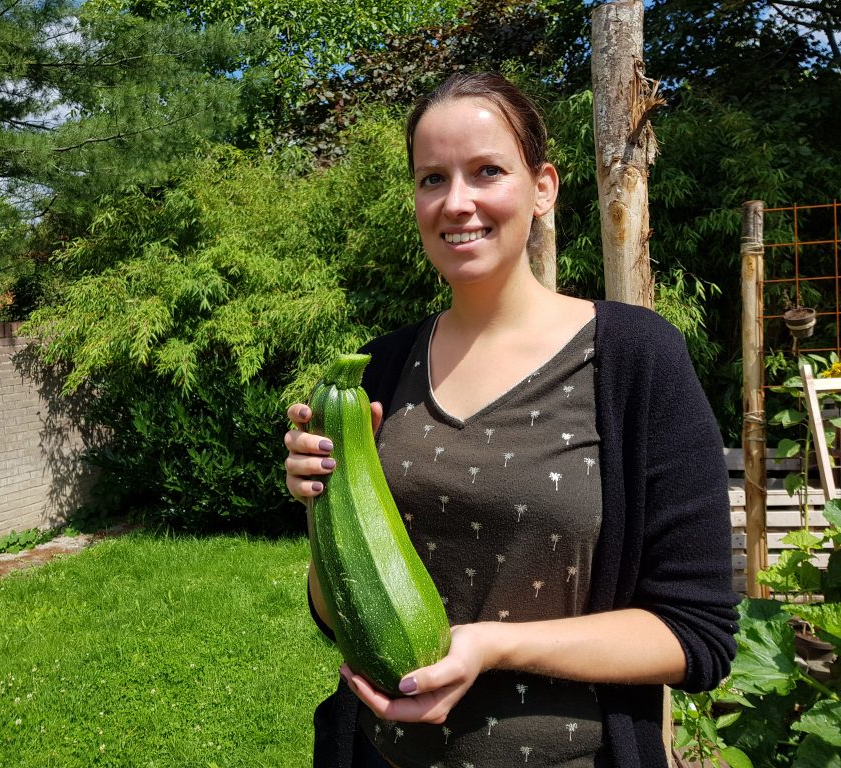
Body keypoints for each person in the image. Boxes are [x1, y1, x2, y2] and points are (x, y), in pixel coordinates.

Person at [283, 72, 739, 768]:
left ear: (543, 187)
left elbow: (697, 634)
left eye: (486, 171)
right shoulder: (377, 370)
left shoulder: (636, 360)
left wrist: (494, 646)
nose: (456, 202)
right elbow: (333, 612)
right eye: (432, 179)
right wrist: (323, 506)